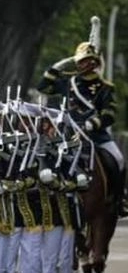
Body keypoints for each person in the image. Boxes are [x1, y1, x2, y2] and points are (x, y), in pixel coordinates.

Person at [37, 36, 126, 217]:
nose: (83, 65)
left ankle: (118, 200)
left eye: (87, 61)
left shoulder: (105, 87)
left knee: (118, 159)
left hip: (96, 135)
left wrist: (92, 124)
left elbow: (109, 114)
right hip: (69, 135)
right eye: (80, 61)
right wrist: (61, 64)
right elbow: (43, 87)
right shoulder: (68, 83)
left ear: (95, 62)